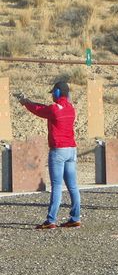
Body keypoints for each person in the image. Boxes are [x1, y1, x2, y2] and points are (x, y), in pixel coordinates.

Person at [19, 78, 81, 229]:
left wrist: (26, 102)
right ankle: (75, 217)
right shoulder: (71, 108)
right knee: (73, 186)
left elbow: (39, 110)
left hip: (58, 151)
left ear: (58, 92)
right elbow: (44, 107)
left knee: (57, 186)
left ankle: (51, 220)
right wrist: (29, 101)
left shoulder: (54, 109)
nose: (52, 95)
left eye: (53, 92)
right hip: (71, 150)